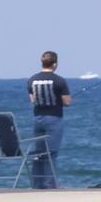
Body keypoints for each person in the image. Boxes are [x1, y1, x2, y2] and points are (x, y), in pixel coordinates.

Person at [25, 50, 72, 189]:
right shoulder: (59, 81)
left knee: (38, 152)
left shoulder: (32, 79)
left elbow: (32, 99)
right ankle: (49, 185)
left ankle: (37, 184)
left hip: (38, 118)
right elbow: (67, 102)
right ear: (55, 64)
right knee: (51, 152)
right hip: (54, 118)